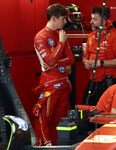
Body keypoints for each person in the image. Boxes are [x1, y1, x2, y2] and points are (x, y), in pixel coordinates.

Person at [32, 4, 75, 146]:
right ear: (54, 18)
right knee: (45, 118)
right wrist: (61, 43)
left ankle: (60, 145)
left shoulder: (60, 34)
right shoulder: (40, 36)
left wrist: (56, 63)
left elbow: (71, 59)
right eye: (63, 19)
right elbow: (49, 60)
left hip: (63, 83)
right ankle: (45, 146)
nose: (65, 22)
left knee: (61, 118)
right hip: (49, 84)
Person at [82, 6, 116, 106]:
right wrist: (86, 62)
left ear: (104, 21)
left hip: (108, 82)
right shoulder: (91, 35)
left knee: (105, 113)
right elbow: (85, 56)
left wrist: (100, 63)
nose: (91, 22)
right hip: (92, 81)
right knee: (85, 110)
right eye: (91, 19)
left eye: (94, 19)